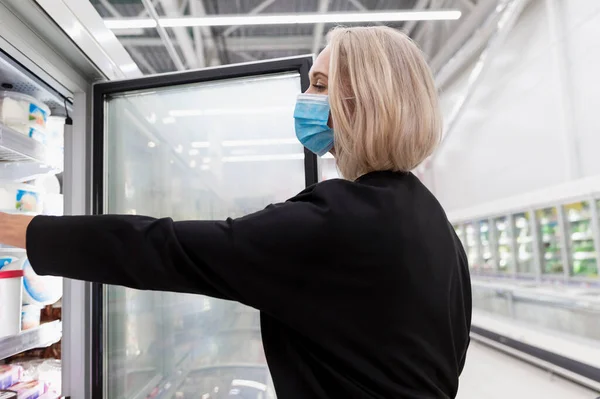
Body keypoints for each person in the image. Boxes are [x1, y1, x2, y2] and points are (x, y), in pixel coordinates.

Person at [0, 26, 471, 398]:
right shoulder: (436, 227)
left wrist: (12, 227)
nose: (306, 97)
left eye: (319, 85)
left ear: (361, 102)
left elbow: (163, 249)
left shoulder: (341, 223)